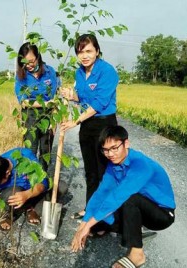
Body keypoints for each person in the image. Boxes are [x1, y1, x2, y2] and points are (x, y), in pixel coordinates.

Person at [71, 126, 176, 268]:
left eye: (115, 148)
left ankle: (137, 255)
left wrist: (88, 225)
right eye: (106, 150)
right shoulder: (113, 165)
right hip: (139, 208)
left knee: (128, 199)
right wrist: (84, 224)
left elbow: (118, 196)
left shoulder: (141, 164)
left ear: (126, 144)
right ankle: (133, 229)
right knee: (98, 220)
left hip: (162, 214)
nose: (110, 154)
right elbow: (101, 193)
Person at [60, 33, 119, 219]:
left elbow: (99, 104)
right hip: (87, 125)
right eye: (80, 52)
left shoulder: (107, 71)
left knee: (104, 172)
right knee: (90, 172)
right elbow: (83, 99)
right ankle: (90, 209)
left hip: (104, 124)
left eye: (88, 51)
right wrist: (71, 95)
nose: (84, 55)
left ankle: (106, 215)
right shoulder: (79, 72)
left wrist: (75, 121)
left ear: (97, 51)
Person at [0, 147, 50, 231]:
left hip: (32, 193)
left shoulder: (25, 155)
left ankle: (30, 209)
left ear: (7, 173)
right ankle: (8, 214)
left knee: (61, 187)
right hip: (14, 195)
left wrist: (27, 195)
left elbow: (43, 183)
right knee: (15, 191)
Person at [15, 42, 58, 172]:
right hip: (30, 115)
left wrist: (54, 119)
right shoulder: (21, 76)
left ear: (38, 57)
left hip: (47, 115)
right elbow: (23, 102)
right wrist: (45, 103)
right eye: (25, 62)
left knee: (46, 151)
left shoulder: (50, 72)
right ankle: (30, 183)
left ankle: (42, 182)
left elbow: (55, 97)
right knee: (30, 151)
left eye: (31, 61)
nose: (28, 65)